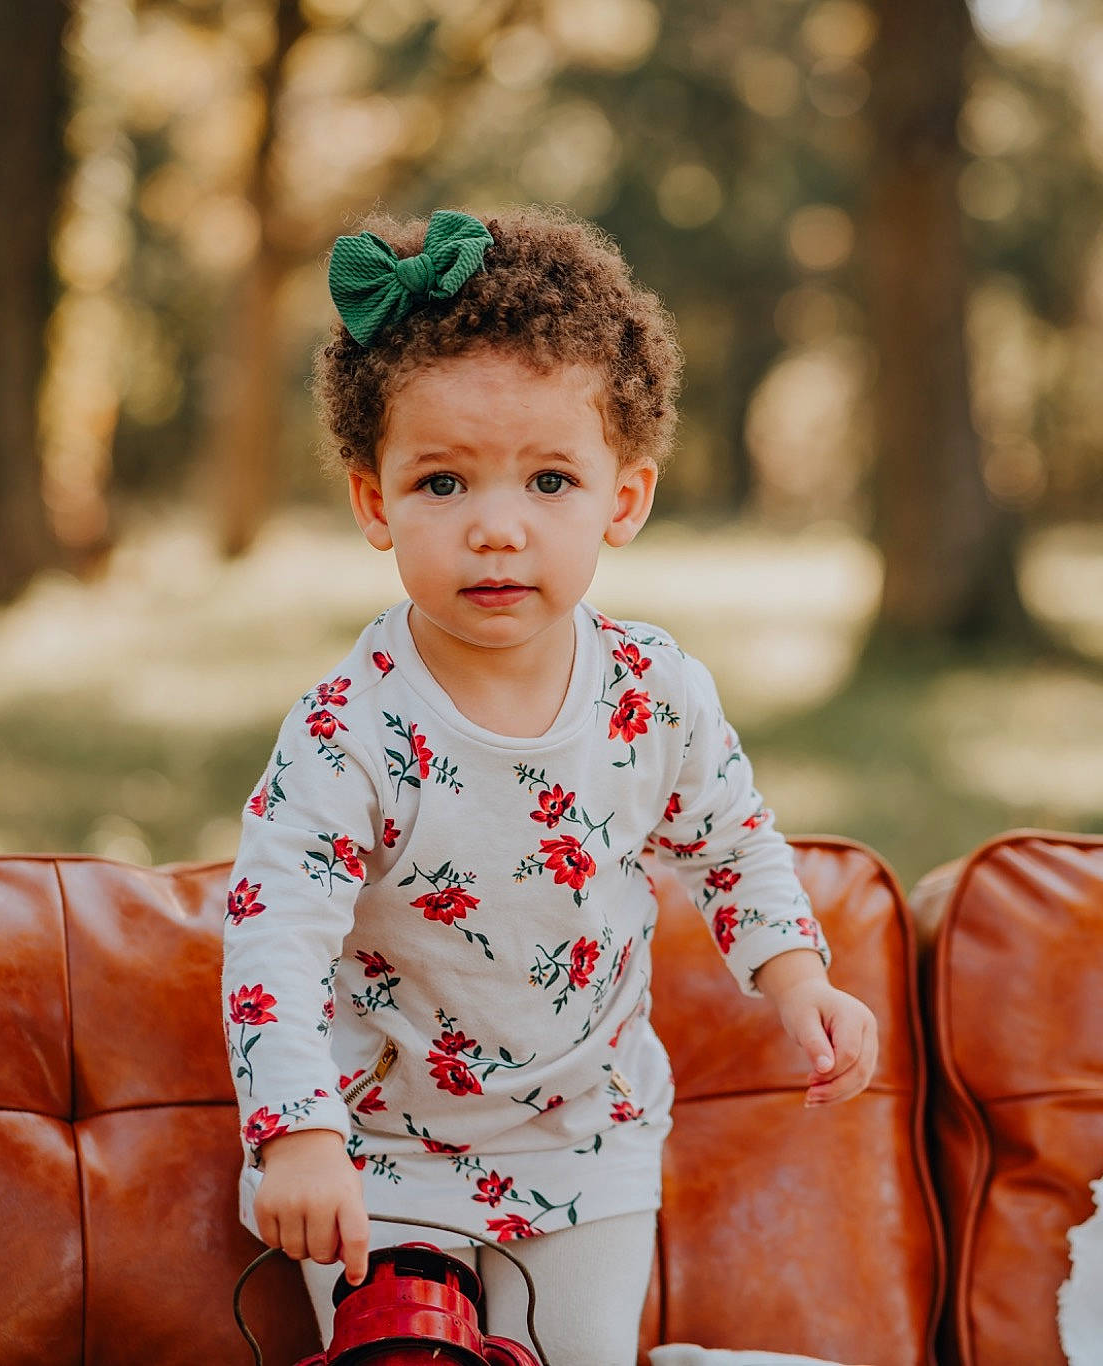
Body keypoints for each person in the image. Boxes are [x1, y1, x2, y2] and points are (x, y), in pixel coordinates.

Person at [220, 205, 879, 1364]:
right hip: (378, 1147)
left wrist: (796, 978)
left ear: (621, 498)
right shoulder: (347, 725)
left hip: (588, 1133)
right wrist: (297, 1135)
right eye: (441, 484)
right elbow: (273, 931)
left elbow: (731, 845)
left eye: (548, 480)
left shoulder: (653, 693)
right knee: (403, 1354)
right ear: (373, 499)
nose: (495, 529)